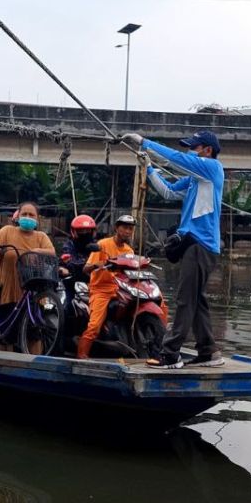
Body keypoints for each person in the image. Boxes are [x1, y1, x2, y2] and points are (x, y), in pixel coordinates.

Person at [125, 129, 225, 369]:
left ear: (207, 150)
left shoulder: (211, 169)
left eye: (195, 147)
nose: (191, 151)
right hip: (195, 244)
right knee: (196, 300)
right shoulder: (194, 180)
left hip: (200, 245)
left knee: (184, 300)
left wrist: (146, 143)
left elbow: (177, 159)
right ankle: (208, 352)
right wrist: (148, 167)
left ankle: (170, 354)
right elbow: (168, 191)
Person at [0, 202, 56, 349]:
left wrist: (36, 251)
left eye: (31, 215)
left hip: (33, 294)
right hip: (9, 292)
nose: (27, 217)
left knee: (34, 335)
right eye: (24, 214)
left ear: (37, 219)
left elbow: (52, 253)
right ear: (18, 216)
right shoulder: (7, 231)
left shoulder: (41, 236)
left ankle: (35, 368)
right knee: (7, 338)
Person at [76, 214, 135, 359]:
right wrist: (97, 265)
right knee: (94, 325)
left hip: (121, 289)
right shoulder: (102, 245)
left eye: (130, 229)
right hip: (101, 289)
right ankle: (82, 354)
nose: (127, 231)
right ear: (116, 228)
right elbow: (86, 268)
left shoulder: (129, 251)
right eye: (125, 228)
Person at [60, 214, 97, 288]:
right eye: (81, 231)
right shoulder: (69, 245)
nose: (85, 233)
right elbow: (70, 262)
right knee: (66, 298)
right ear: (74, 232)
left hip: (94, 282)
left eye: (88, 230)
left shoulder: (97, 245)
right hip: (73, 282)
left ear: (93, 232)